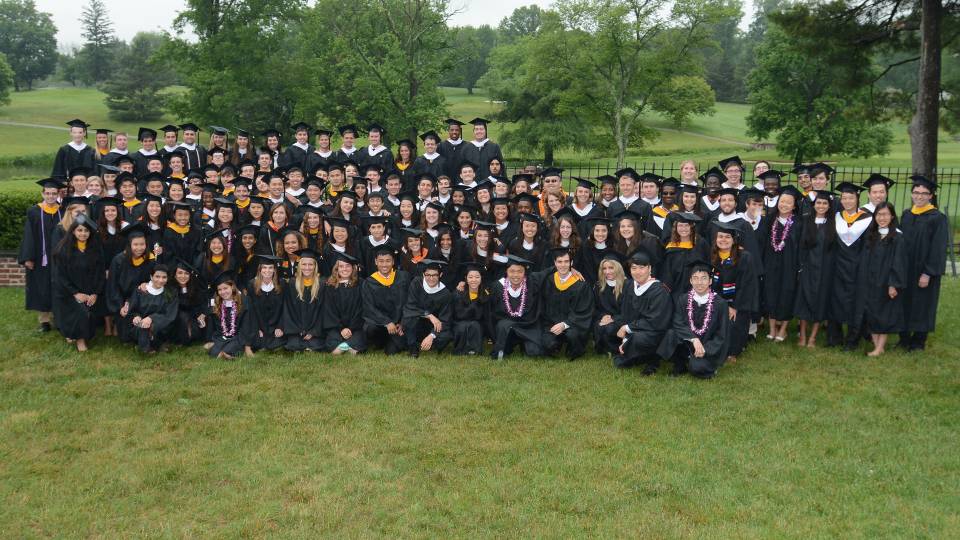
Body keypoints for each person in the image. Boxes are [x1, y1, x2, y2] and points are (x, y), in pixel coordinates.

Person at [898, 175, 949, 351]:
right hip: (906, 268)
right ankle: (903, 338)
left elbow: (938, 248)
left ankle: (919, 340)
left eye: (924, 193)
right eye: (916, 192)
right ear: (912, 194)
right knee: (904, 301)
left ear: (930, 196)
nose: (919, 196)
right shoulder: (906, 215)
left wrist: (928, 272)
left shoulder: (937, 218)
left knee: (923, 303)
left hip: (924, 270)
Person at [657, 260, 729, 378]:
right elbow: (678, 322)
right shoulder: (683, 299)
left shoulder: (720, 304)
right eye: (695, 278)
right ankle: (680, 364)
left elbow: (722, 334)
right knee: (670, 335)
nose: (699, 282)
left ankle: (700, 363)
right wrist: (693, 339)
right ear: (690, 281)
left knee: (696, 368)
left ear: (710, 281)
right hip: (688, 342)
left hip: (708, 348)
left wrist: (705, 350)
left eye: (703, 278)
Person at [854, 203, 907, 357]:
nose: (882, 218)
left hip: (885, 282)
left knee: (884, 313)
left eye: (885, 214)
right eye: (879, 215)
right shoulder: (872, 235)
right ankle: (878, 346)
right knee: (872, 312)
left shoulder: (897, 238)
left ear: (892, 216)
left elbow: (899, 263)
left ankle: (879, 347)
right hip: (870, 281)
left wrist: (893, 284)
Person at [827, 182, 873, 351]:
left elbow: (869, 246)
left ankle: (852, 339)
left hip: (858, 267)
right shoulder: (837, 217)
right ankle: (834, 337)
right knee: (836, 300)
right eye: (844, 198)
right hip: (838, 267)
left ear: (857, 198)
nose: (847, 201)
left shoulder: (867, 219)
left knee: (856, 302)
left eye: (850, 198)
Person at [612, 248, 673, 373]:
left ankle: (653, 358)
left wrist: (627, 328)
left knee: (638, 339)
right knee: (610, 327)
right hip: (635, 327)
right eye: (634, 268)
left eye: (641, 267)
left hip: (655, 332)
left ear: (649, 269)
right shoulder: (629, 285)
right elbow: (625, 312)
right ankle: (631, 350)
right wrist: (625, 329)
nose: (637, 272)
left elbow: (656, 321)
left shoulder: (659, 290)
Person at [51, 215, 104, 352]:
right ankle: (80, 341)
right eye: (79, 230)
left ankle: (78, 334)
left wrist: (95, 293)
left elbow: (99, 273)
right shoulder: (64, 250)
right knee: (81, 312)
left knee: (89, 313)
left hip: (90, 291)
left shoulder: (95, 249)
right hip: (69, 293)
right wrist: (75, 293)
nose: (83, 234)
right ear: (73, 231)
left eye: (86, 231)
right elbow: (60, 276)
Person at [19, 178, 65, 332]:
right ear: (42, 193)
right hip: (41, 258)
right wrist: (28, 257)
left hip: (59, 258)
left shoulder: (63, 211)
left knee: (59, 285)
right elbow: (29, 235)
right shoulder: (34, 211)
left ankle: (59, 317)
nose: (51, 196)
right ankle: (44, 320)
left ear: (58, 194)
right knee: (42, 286)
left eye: (54, 193)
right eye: (48, 193)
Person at [710, 221, 759, 362]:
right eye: (720, 237)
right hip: (717, 299)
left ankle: (733, 352)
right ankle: (717, 347)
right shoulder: (713, 256)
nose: (723, 240)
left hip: (738, 300)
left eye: (727, 237)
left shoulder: (744, 257)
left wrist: (734, 306)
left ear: (734, 240)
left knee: (735, 323)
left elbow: (746, 284)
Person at [794, 190, 837, 348]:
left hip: (825, 270)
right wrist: (800, 267)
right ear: (814, 205)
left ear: (829, 206)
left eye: (825, 203)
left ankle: (813, 337)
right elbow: (800, 247)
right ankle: (803, 336)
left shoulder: (833, 224)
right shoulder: (806, 221)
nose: (821, 205)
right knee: (804, 301)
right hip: (808, 268)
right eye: (818, 203)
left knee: (821, 301)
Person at [488, 255, 551, 359]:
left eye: (520, 271)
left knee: (535, 352)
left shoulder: (532, 282)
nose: (516, 275)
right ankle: (505, 347)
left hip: (527, 325)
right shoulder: (497, 286)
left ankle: (524, 344)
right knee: (503, 326)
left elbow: (548, 272)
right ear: (506, 272)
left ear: (524, 273)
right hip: (506, 327)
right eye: (512, 271)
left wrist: (572, 269)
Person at [761, 186, 802, 342]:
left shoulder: (798, 223)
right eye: (782, 201)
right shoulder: (770, 220)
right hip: (771, 263)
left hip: (789, 265)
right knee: (770, 293)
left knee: (787, 294)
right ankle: (772, 329)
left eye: (788, 202)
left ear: (794, 205)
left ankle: (783, 330)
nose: (784, 204)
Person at [540, 248, 594, 360]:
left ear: (571, 263)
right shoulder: (549, 280)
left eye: (566, 261)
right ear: (554, 263)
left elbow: (584, 310)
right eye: (559, 262)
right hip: (553, 323)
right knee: (547, 344)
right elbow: (544, 306)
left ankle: (573, 347)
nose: (563, 265)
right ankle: (556, 344)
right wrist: (551, 324)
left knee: (572, 336)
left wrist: (565, 324)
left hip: (573, 325)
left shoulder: (581, 285)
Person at [108, 224, 157, 344]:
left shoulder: (150, 260)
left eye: (142, 244)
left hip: (142, 301)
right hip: (123, 301)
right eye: (135, 244)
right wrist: (120, 305)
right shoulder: (119, 260)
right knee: (125, 338)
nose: (139, 248)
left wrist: (148, 284)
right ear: (129, 245)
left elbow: (155, 281)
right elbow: (112, 287)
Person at [361, 246, 412, 353]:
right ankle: (379, 342)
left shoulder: (403, 277)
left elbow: (410, 301)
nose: (384, 264)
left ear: (393, 261)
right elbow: (369, 307)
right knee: (370, 328)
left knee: (391, 351)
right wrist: (387, 322)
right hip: (380, 324)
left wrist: (403, 322)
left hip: (399, 324)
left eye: (388, 261)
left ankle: (392, 341)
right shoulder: (369, 282)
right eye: (381, 261)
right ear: (376, 262)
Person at [401, 259, 454, 357]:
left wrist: (432, 335)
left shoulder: (445, 293)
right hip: (417, 324)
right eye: (428, 275)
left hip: (433, 327)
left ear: (440, 275)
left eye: (435, 275)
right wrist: (429, 315)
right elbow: (410, 306)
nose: (431, 278)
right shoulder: (416, 283)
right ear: (423, 275)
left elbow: (445, 320)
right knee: (409, 319)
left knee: (446, 336)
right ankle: (413, 348)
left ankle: (425, 343)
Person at [321, 252, 367, 354]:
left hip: (356, 327)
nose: (344, 269)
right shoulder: (330, 286)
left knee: (354, 350)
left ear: (353, 268)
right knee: (335, 351)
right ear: (337, 269)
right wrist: (341, 328)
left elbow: (361, 308)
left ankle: (347, 345)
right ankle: (345, 345)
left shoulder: (361, 284)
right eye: (341, 266)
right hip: (336, 327)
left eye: (348, 266)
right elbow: (329, 310)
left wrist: (351, 328)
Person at [126, 264, 179, 354]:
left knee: (157, 328)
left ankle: (150, 345)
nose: (160, 280)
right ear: (151, 276)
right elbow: (133, 310)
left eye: (164, 277)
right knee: (143, 327)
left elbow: (170, 315)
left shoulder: (171, 293)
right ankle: (147, 348)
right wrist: (136, 317)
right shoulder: (140, 291)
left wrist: (151, 318)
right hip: (141, 326)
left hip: (161, 327)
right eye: (157, 276)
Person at [206, 271, 247, 360]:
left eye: (225, 288)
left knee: (230, 347)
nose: (223, 292)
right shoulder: (217, 303)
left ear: (232, 287)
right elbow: (216, 326)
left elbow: (245, 326)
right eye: (219, 290)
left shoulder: (242, 302)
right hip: (222, 336)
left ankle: (227, 353)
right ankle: (224, 353)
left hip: (238, 336)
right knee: (214, 351)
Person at [451, 262, 489, 355]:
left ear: (481, 278)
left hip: (478, 324)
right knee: (463, 326)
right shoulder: (458, 293)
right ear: (465, 279)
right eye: (470, 277)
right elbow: (455, 314)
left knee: (475, 325)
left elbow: (487, 316)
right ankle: (460, 350)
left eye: (477, 277)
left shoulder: (486, 294)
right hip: (459, 323)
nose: (474, 280)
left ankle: (474, 350)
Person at [593, 253, 627, 355]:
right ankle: (603, 349)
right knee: (599, 325)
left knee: (609, 328)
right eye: (604, 268)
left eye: (611, 268)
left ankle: (616, 350)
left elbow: (629, 310)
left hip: (622, 318)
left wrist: (613, 319)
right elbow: (595, 307)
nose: (607, 271)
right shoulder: (599, 286)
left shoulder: (627, 285)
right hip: (604, 318)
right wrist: (603, 317)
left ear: (618, 268)